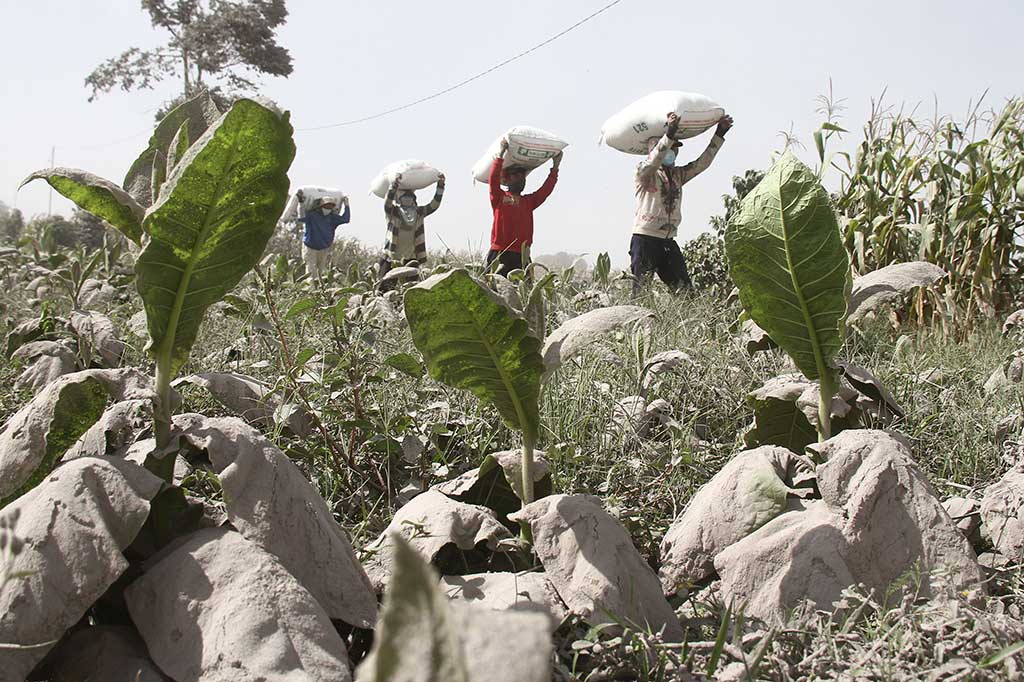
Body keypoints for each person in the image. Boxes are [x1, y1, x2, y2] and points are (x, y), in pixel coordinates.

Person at [630, 112, 734, 294]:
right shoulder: (644, 173)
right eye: (670, 147)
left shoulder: (677, 175)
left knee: (685, 291)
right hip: (645, 239)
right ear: (656, 148)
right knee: (641, 292)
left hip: (668, 240)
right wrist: (669, 134)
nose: (673, 152)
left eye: (675, 148)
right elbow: (653, 161)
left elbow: (702, 164)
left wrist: (719, 134)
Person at [487, 138, 562, 276]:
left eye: (522, 176)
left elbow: (546, 190)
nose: (521, 178)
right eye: (516, 175)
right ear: (506, 180)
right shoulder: (499, 197)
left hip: (522, 256)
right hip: (500, 253)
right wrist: (501, 154)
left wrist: (555, 166)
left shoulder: (529, 201)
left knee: (523, 294)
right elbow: (493, 180)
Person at [379, 171, 445, 279]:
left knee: (411, 289)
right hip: (391, 258)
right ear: (399, 199)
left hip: (411, 259)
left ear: (414, 200)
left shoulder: (419, 213)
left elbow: (434, 205)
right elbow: (387, 202)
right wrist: (394, 185)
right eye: (404, 197)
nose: (407, 200)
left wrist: (440, 186)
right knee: (384, 289)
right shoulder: (393, 212)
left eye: (410, 197)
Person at [296, 194, 350, 279]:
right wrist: (301, 203)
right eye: (326, 206)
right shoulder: (312, 215)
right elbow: (301, 218)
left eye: (330, 207)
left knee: (319, 272)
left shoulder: (332, 218)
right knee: (311, 271)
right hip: (310, 247)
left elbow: (346, 219)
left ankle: (318, 290)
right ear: (321, 206)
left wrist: (346, 205)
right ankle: (311, 289)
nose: (327, 209)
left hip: (323, 248)